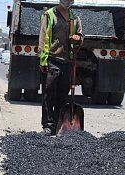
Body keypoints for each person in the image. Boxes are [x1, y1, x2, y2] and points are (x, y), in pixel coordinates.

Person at [38, 0, 83, 136]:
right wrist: (43, 59)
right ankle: (48, 125)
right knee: (48, 94)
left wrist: (78, 38)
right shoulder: (49, 15)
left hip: (66, 61)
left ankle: (58, 124)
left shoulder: (74, 18)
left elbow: (80, 37)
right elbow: (43, 36)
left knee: (62, 95)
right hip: (52, 59)